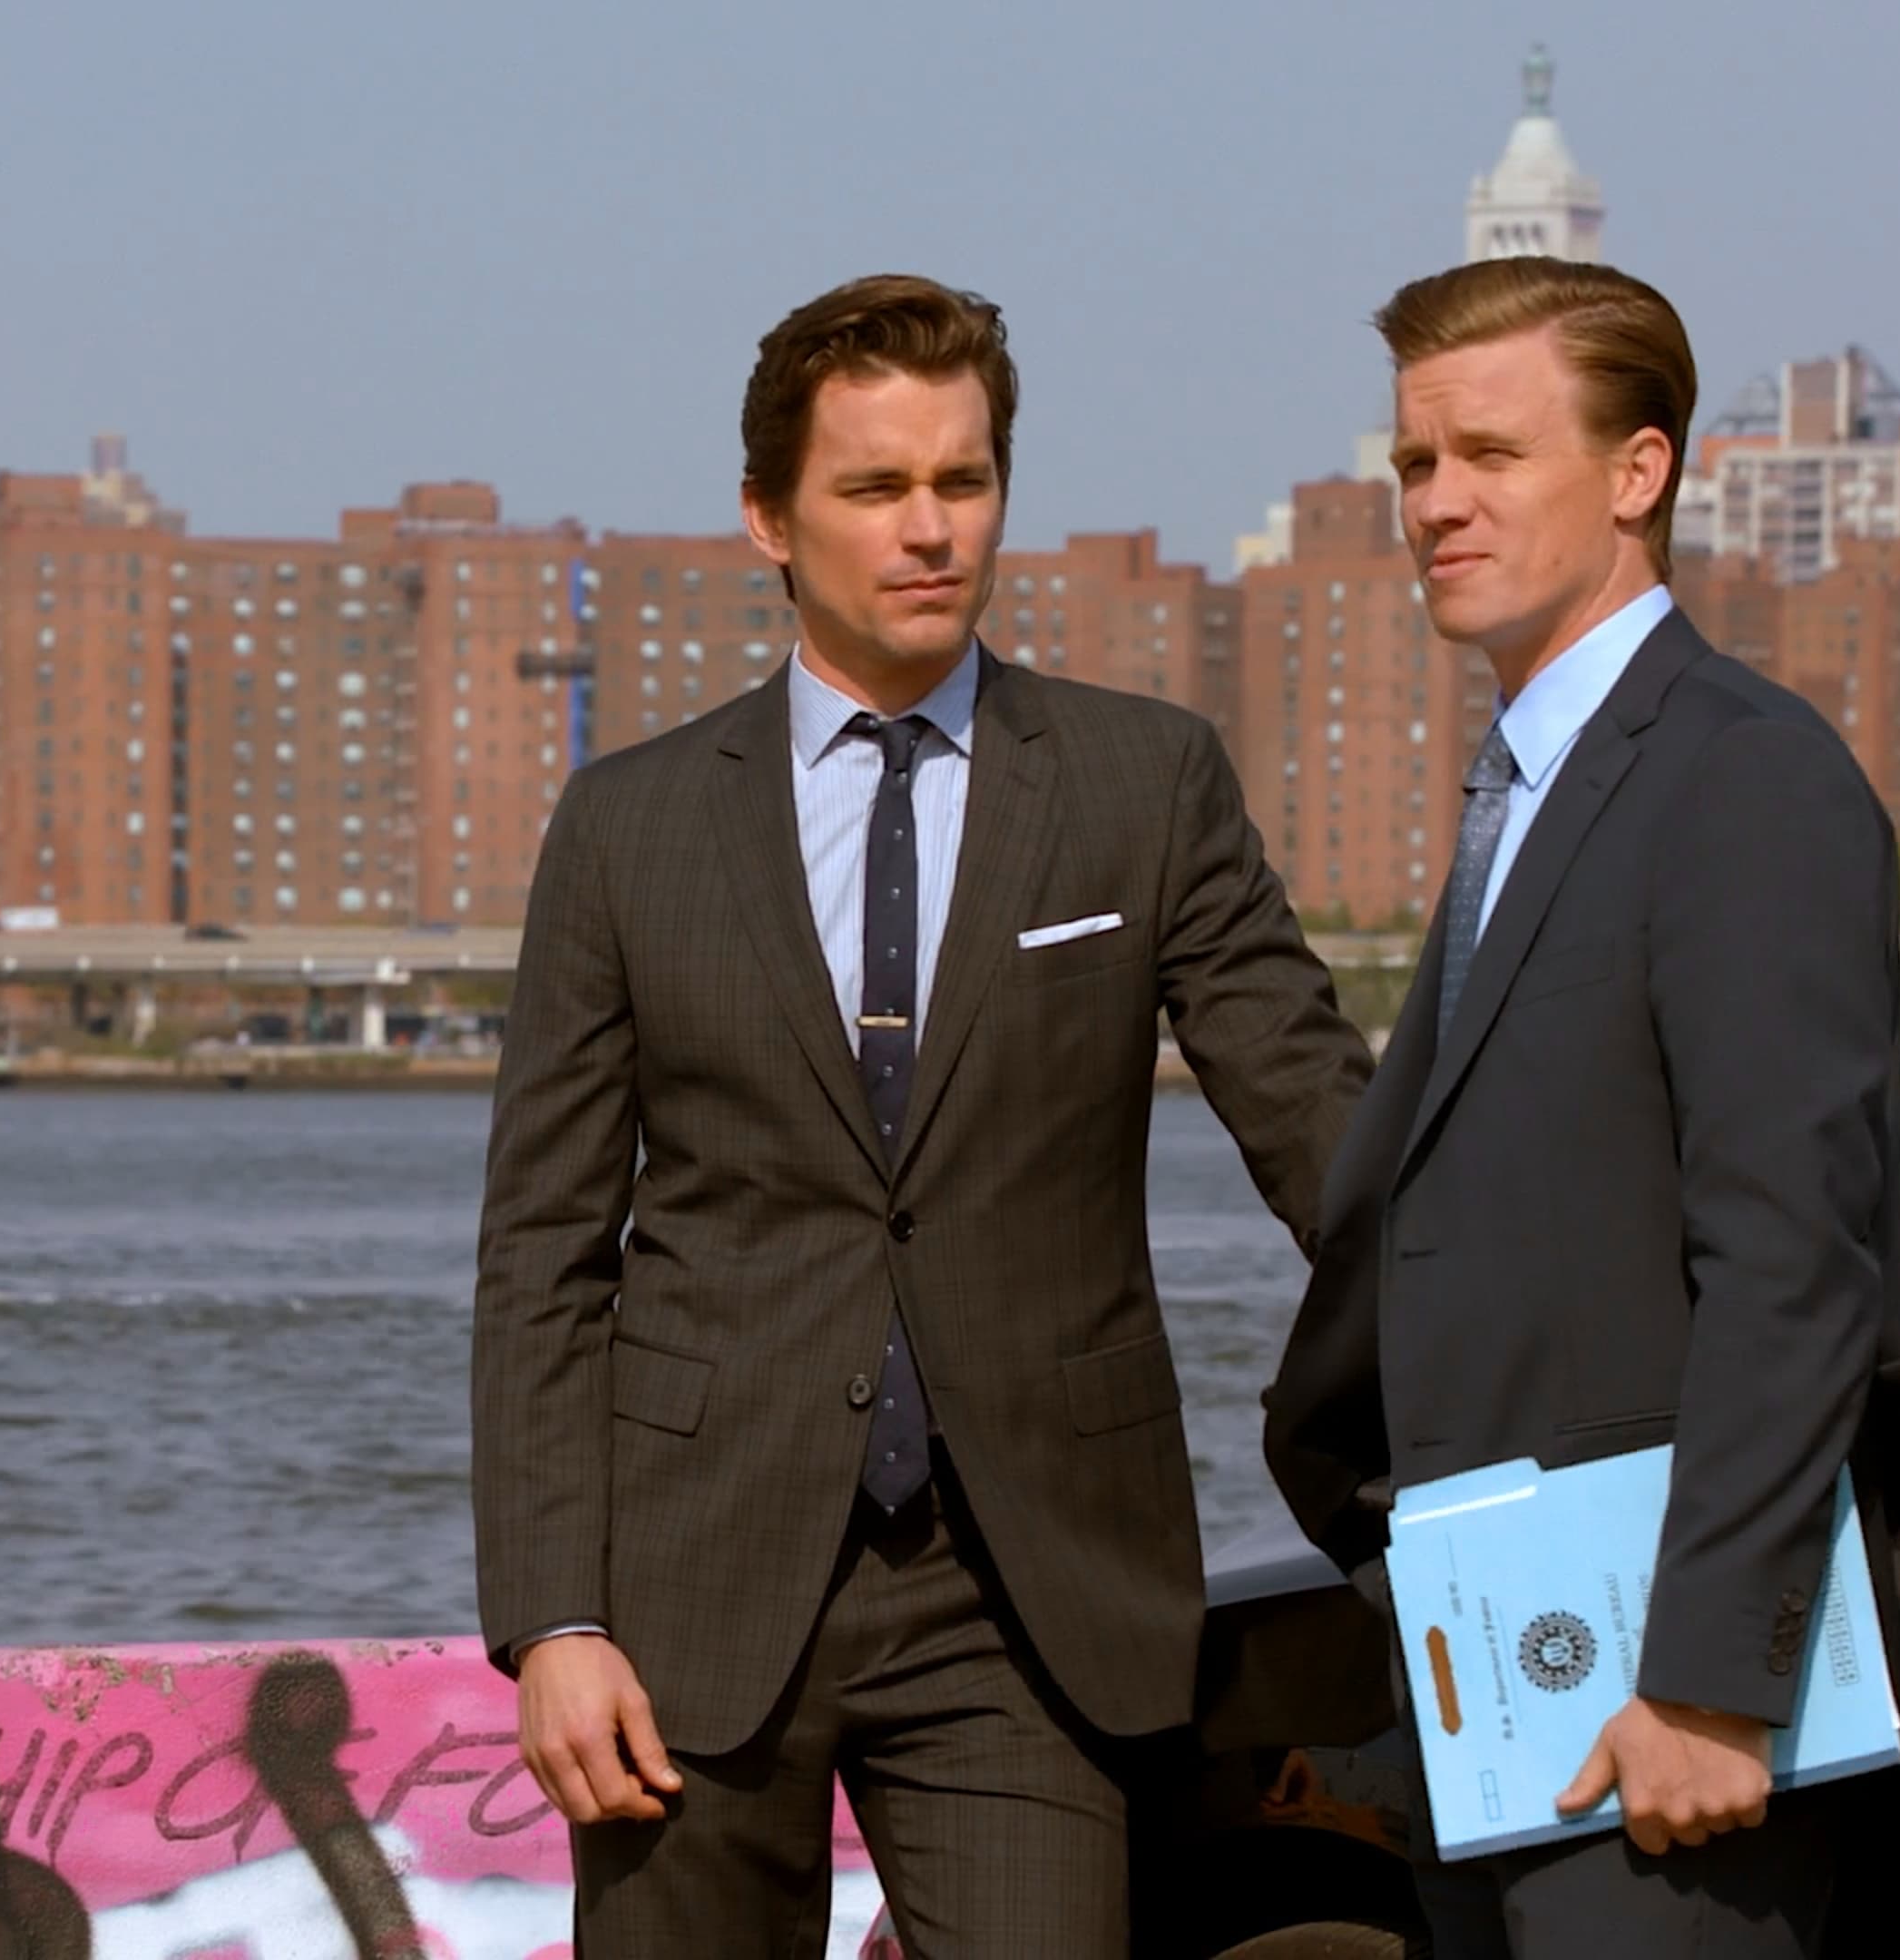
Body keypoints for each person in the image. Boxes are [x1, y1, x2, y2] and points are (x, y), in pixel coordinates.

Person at [472, 272, 1372, 1955]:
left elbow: (1324, 1125)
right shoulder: (626, 828)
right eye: (876, 486)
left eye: (964, 479)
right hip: (689, 1591)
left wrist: (1545, 1365)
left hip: (1031, 1599)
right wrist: (553, 1620)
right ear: (770, 517)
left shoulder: (1144, 781)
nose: (930, 528)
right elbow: (543, 1253)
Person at [1260, 256, 1900, 1956]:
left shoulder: (1740, 774)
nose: (1435, 503)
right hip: (1493, 1701)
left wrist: (1710, 1680)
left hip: (1663, 1730)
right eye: (1416, 462)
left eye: (1491, 454)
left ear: (1640, 473)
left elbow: (1794, 1260)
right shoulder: (1530, 794)